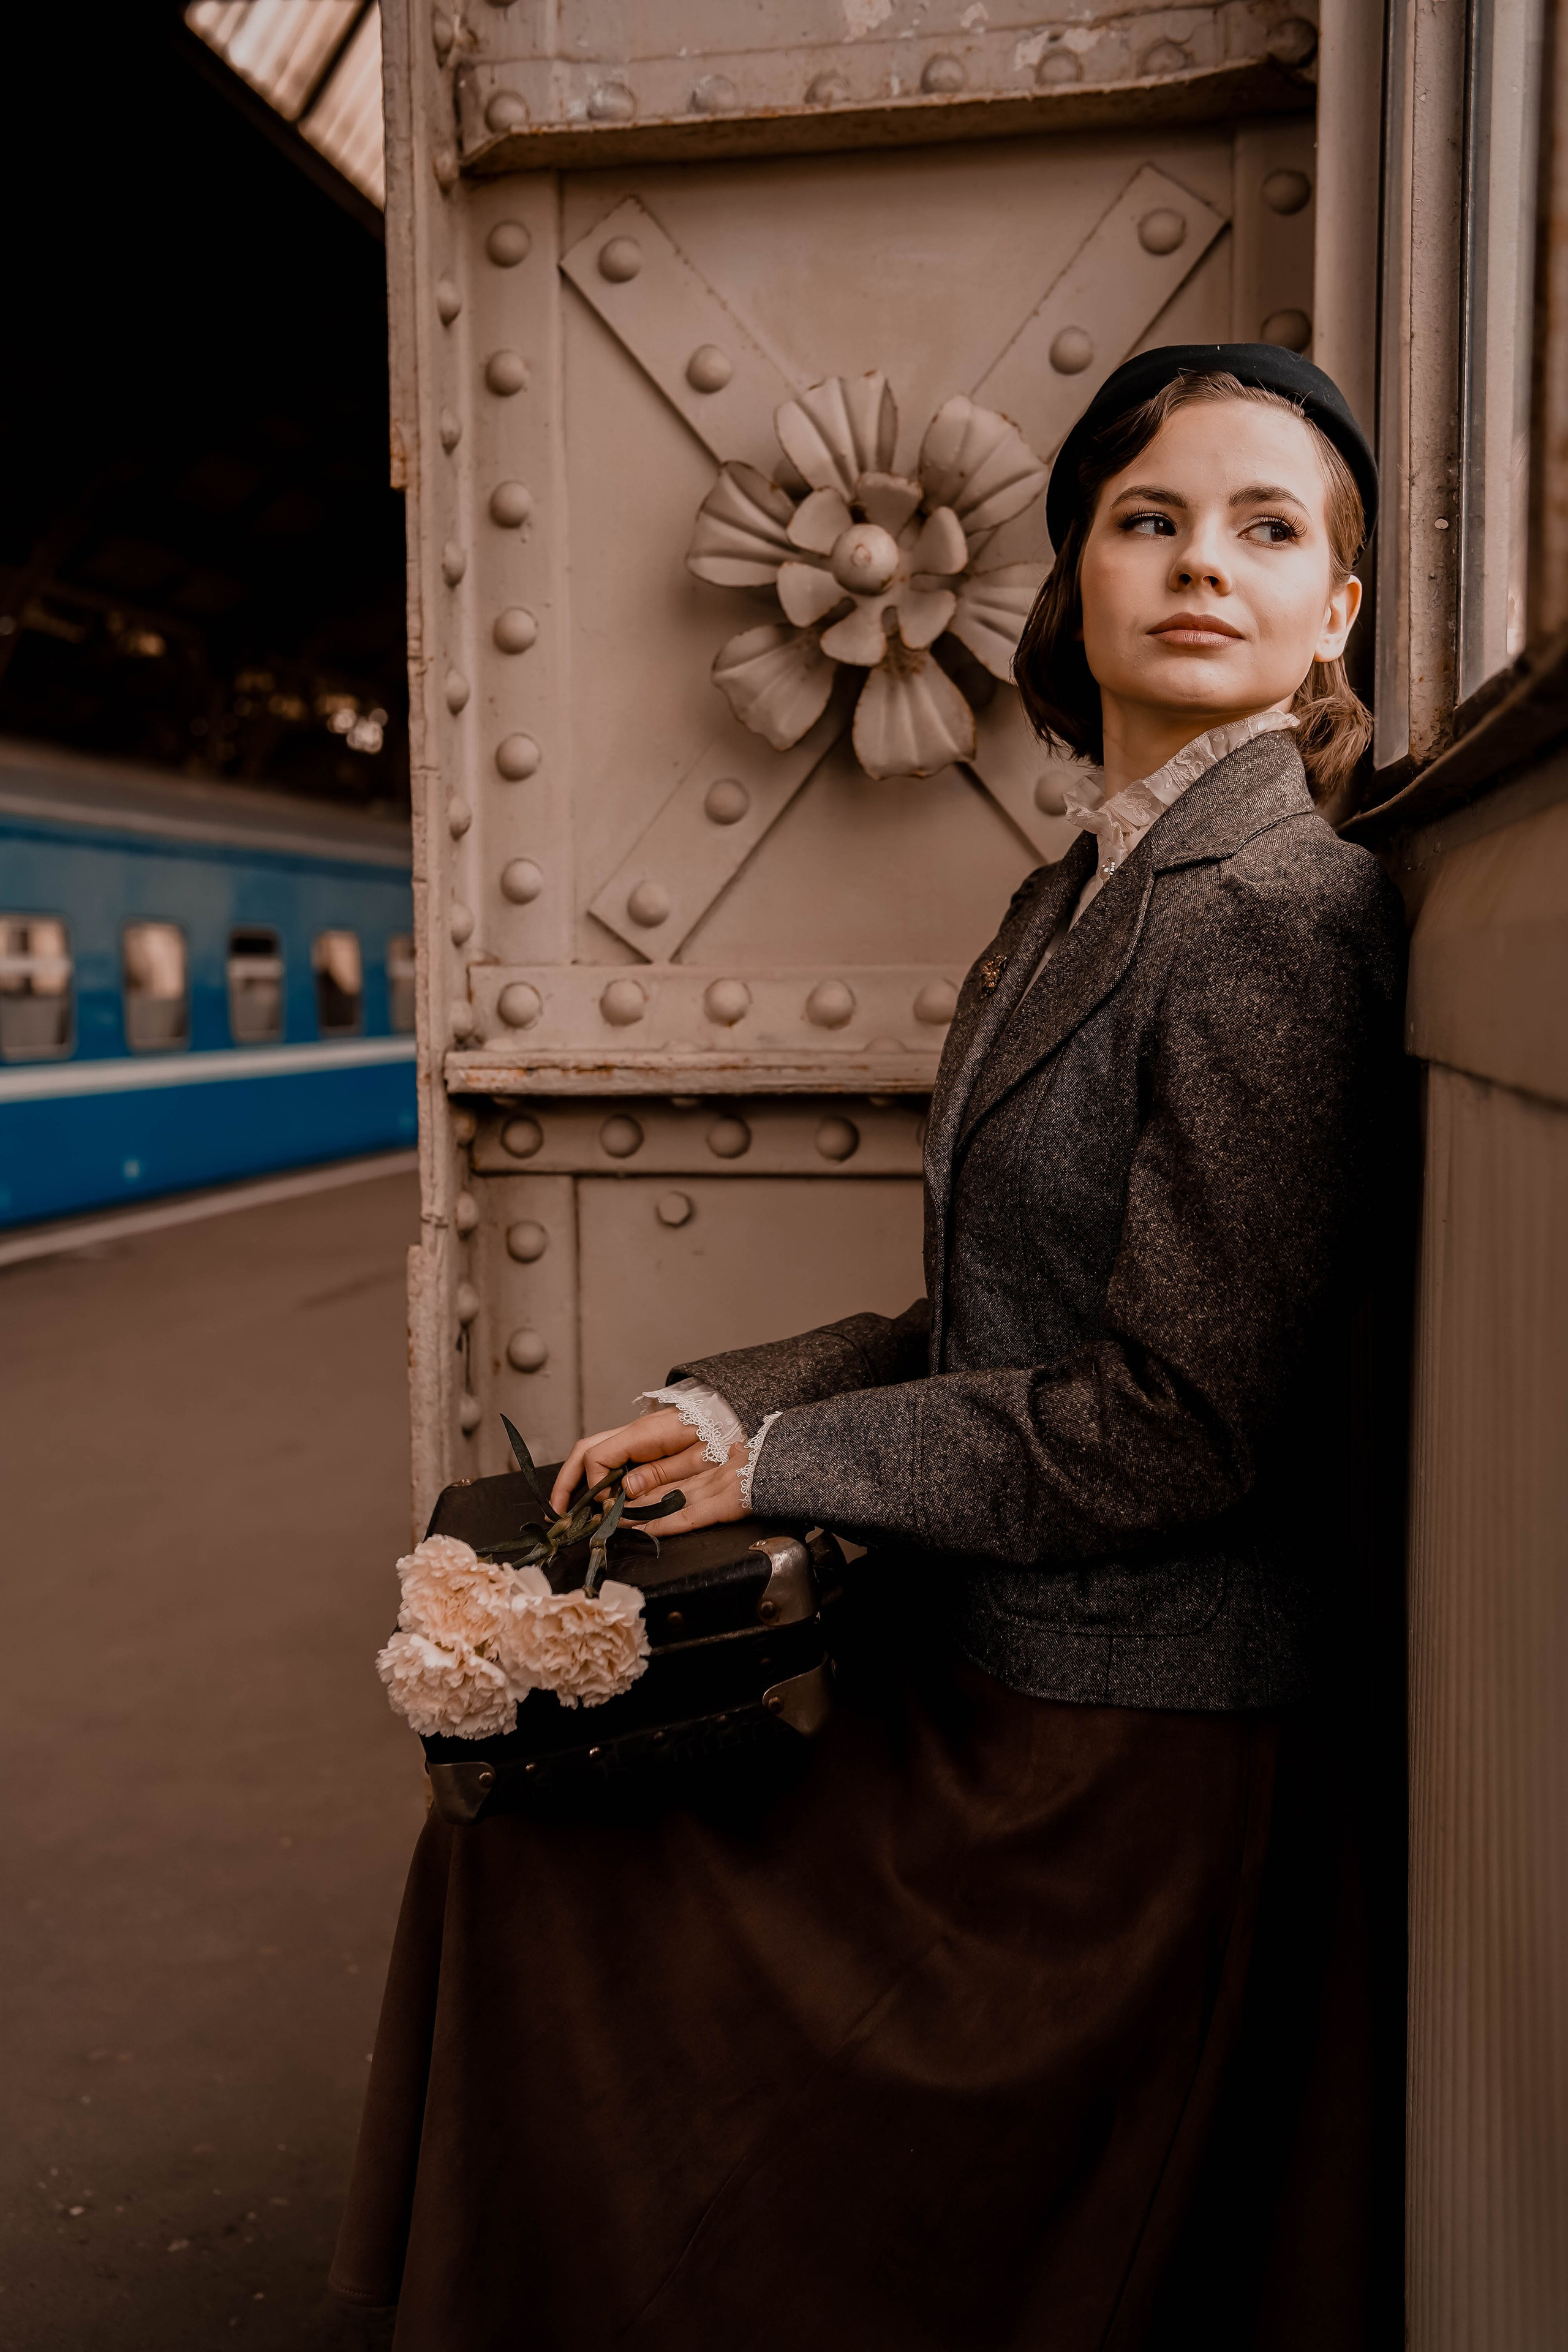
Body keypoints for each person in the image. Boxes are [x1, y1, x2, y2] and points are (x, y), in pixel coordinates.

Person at [332, 345, 1405, 2350]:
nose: (1204, 566)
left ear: (1338, 611)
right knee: (519, 1818)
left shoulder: (1275, 908)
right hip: (1005, 1684)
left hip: (1124, 1762)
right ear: (1076, 579)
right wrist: (723, 1403)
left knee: (555, 1871)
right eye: (1148, 519)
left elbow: (1177, 1426)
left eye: (1273, 531)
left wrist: (791, 1472)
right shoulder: (1082, 893)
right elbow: (996, 1312)